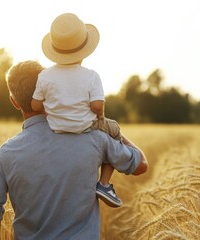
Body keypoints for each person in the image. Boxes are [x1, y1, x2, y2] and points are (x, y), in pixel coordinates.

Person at [0, 60, 148, 239]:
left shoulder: (4, 155)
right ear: (51, 92)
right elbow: (141, 164)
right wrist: (111, 130)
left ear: (14, 102)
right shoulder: (94, 138)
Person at [31, 13, 129, 208]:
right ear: (84, 52)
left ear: (54, 50)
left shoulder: (45, 76)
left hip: (56, 126)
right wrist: (99, 114)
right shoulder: (91, 76)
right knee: (115, 130)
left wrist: (52, 108)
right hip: (86, 126)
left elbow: (35, 106)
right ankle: (104, 184)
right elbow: (97, 106)